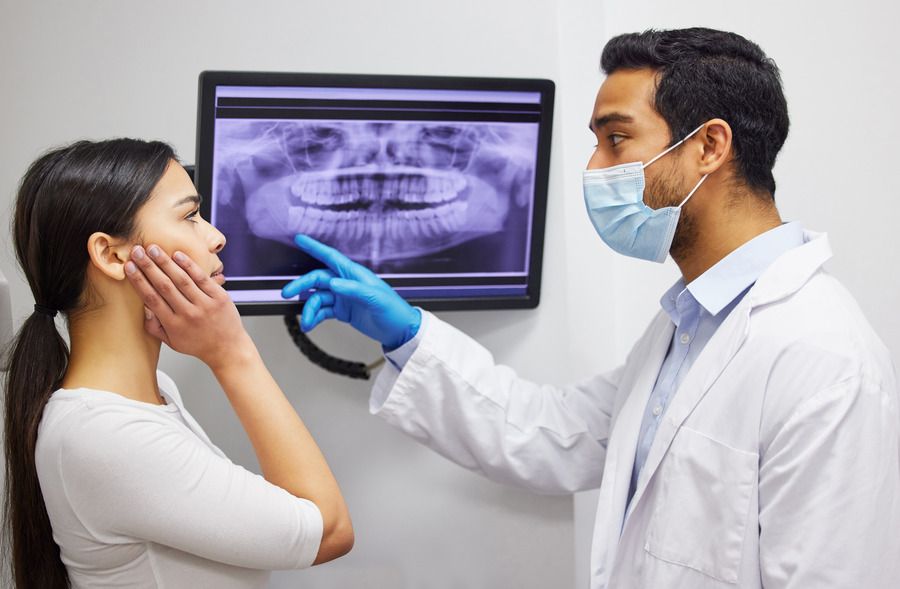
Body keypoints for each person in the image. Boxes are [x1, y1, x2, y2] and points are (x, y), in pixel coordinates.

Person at [129, 28, 900, 588]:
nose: (593, 167)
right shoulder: (691, 325)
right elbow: (557, 434)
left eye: (615, 139)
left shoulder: (820, 355)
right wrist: (407, 332)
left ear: (709, 147)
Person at [3, 139, 353, 589]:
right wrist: (233, 355)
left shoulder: (149, 394)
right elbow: (329, 530)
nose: (215, 236)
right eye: (189, 216)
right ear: (111, 256)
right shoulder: (106, 435)